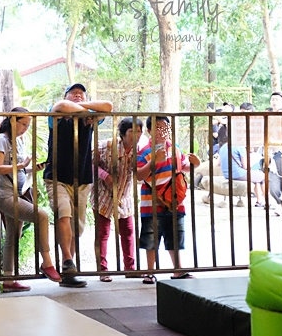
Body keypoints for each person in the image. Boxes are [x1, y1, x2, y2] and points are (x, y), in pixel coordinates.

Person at [43, 83, 113, 288]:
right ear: (66, 96)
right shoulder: (55, 114)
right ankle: (67, 261)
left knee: (77, 227)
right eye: (74, 94)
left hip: (82, 178)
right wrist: (87, 110)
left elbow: (108, 105)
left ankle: (68, 272)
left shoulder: (90, 118)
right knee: (63, 213)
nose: (78, 96)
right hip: (57, 176)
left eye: (81, 94)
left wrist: (86, 108)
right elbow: (61, 106)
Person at [0, 107, 62, 292]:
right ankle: (47, 262)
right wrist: (21, 165)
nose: (25, 128)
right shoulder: (2, 140)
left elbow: (20, 169)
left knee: (12, 236)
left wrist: (33, 168)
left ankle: (8, 280)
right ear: (12, 121)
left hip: (17, 192)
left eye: (28, 125)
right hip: (5, 195)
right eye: (23, 123)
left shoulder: (18, 141)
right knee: (41, 216)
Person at [136, 115, 198, 284]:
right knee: (151, 238)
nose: (163, 131)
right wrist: (154, 161)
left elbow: (184, 167)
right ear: (149, 131)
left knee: (175, 236)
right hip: (151, 202)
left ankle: (178, 269)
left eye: (166, 128)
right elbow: (139, 176)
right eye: (158, 128)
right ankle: (149, 271)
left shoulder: (175, 148)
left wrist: (195, 164)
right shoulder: (144, 152)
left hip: (174, 202)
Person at [91, 117, 143, 282]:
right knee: (102, 233)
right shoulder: (107, 146)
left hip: (124, 197)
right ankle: (102, 270)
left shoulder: (139, 151)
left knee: (128, 232)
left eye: (140, 131)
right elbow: (90, 163)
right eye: (132, 131)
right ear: (122, 133)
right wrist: (104, 175)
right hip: (103, 195)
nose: (137, 135)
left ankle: (130, 268)